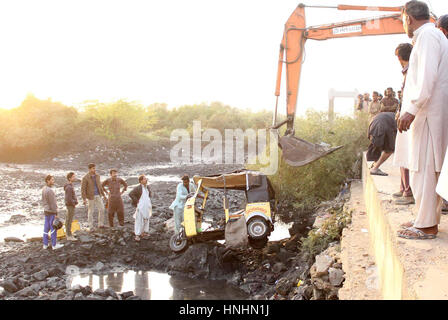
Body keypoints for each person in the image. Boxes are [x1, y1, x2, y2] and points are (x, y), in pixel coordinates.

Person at [397, 1, 448, 240]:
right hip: (429, 113)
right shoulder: (429, 36)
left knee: (424, 169)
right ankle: (422, 217)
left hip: (427, 114)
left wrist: (412, 109)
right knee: (424, 169)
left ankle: (426, 225)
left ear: (408, 17)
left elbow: (427, 77)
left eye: (402, 20)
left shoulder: (427, 36)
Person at [393, 43, 415, 206]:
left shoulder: (412, 71)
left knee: (406, 154)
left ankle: (408, 191)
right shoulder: (409, 71)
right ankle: (404, 188)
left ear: (399, 57)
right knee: (402, 153)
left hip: (409, 120)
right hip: (406, 117)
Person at [81, 163, 107, 231]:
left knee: (102, 209)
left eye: (95, 168)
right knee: (91, 211)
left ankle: (100, 224)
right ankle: (90, 226)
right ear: (89, 169)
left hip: (98, 195)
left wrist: (103, 195)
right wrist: (84, 199)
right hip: (90, 196)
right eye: (93, 168)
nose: (94, 169)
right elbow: (83, 189)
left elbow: (100, 186)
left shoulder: (97, 176)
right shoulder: (85, 178)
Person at [42, 175, 63, 250]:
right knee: (53, 228)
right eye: (52, 180)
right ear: (48, 181)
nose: (53, 181)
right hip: (51, 212)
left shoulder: (44, 189)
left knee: (46, 228)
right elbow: (53, 203)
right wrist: (56, 213)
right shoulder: (50, 190)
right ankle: (54, 245)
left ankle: (45, 244)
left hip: (46, 211)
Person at [129, 174, 152, 241]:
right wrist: (137, 201)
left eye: (146, 179)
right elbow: (131, 194)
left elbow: (149, 195)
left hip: (147, 205)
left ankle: (145, 232)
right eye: (145, 179)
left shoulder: (147, 187)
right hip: (140, 206)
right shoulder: (138, 188)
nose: (146, 180)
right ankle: (137, 235)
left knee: (146, 219)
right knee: (139, 220)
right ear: (141, 181)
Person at [64, 172, 78, 241]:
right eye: (73, 177)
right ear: (69, 178)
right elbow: (68, 198)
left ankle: (68, 233)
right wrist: (74, 203)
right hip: (70, 205)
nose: (74, 178)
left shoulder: (70, 185)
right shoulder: (69, 187)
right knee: (69, 220)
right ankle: (69, 235)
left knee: (68, 219)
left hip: (70, 205)